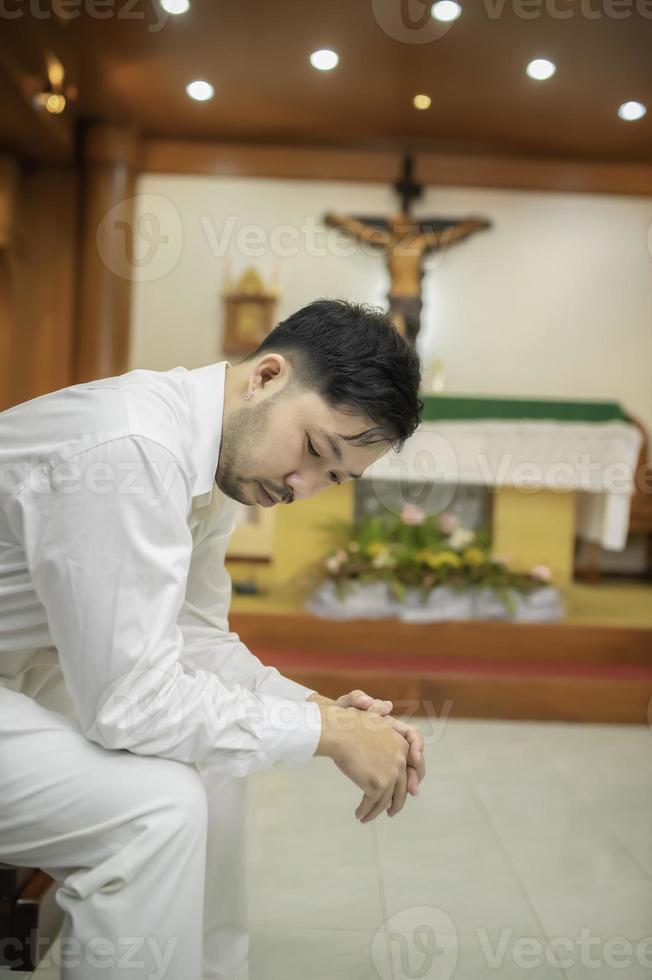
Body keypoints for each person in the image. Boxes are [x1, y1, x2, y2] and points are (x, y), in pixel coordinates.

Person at [0, 297, 426, 979]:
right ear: (266, 376)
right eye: (315, 449)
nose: (302, 486)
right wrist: (331, 735)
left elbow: (197, 641)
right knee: (153, 813)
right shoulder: (134, 447)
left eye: (334, 478)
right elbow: (130, 704)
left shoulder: (215, 458)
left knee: (213, 765)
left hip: (20, 673)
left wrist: (325, 713)